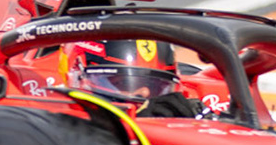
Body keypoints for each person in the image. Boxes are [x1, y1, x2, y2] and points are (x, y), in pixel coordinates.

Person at [60, 38, 200, 117]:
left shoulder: (188, 101)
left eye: (155, 85)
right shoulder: (44, 106)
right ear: (77, 77)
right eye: (123, 82)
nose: (145, 92)